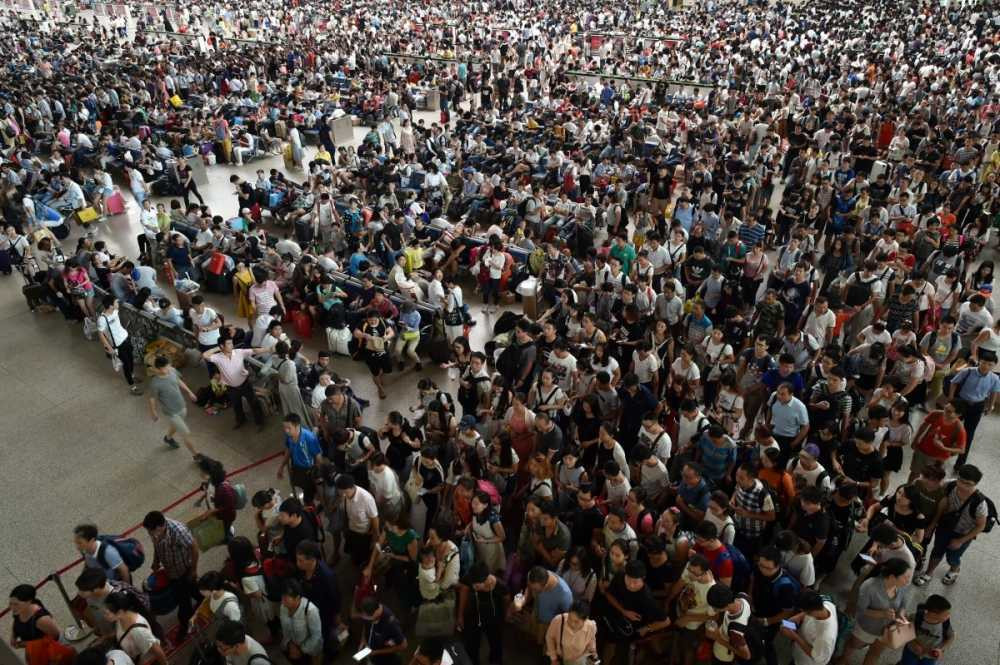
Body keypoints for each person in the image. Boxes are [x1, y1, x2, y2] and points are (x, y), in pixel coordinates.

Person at [916, 464, 990, 587]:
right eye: (960, 480)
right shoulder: (950, 485)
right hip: (945, 526)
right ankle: (929, 572)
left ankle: (955, 569)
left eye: (968, 484)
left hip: (963, 533)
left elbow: (980, 526)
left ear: (975, 484)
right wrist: (932, 525)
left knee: (953, 556)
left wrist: (961, 541)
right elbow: (938, 495)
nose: (962, 485)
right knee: (937, 551)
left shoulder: (980, 503)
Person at [836, 558, 912, 665]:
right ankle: (843, 660)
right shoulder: (870, 586)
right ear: (892, 577)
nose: (908, 581)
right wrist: (882, 614)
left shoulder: (902, 587)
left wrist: (901, 616)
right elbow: (860, 609)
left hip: (887, 630)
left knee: (875, 653)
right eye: (906, 577)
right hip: (866, 628)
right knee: (853, 645)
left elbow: (903, 605)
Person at [141, 511, 199, 640]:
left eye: (151, 532)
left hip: (184, 570)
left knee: (184, 602)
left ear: (160, 527)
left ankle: (185, 626)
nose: (150, 535)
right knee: (193, 588)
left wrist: (193, 570)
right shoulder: (157, 531)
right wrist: (155, 561)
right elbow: (157, 546)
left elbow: (194, 548)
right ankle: (202, 599)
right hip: (170, 571)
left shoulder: (179, 532)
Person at [201, 335, 267, 430]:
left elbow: (255, 351)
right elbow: (204, 355)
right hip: (231, 388)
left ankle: (260, 422)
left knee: (254, 403)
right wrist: (217, 348)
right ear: (222, 346)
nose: (231, 345)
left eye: (231, 343)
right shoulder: (217, 357)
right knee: (236, 406)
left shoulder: (239, 352)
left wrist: (269, 349)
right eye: (228, 343)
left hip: (245, 384)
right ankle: (241, 420)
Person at [146, 355, 200, 459]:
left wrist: (190, 392)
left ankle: (168, 438)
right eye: (165, 367)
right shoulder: (155, 383)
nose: (168, 368)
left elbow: (179, 381)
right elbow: (152, 398)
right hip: (171, 412)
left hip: (182, 406)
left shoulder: (172, 371)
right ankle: (196, 455)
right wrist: (153, 412)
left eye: (168, 366)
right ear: (158, 369)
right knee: (186, 433)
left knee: (175, 425)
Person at [456, 562, 506, 665]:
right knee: (471, 644)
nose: (474, 586)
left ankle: (495, 661)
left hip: (493, 617)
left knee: (495, 642)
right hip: (474, 615)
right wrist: (460, 615)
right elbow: (464, 591)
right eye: (473, 583)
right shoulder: (470, 577)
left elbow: (507, 600)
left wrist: (505, 615)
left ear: (487, 578)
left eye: (477, 584)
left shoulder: (499, 585)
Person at [103, 590, 168, 665]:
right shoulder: (121, 618)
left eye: (107, 614)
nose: (104, 616)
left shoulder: (138, 631)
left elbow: (157, 650)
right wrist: (106, 637)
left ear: (120, 612)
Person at [96, 296, 142, 395]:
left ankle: (132, 375)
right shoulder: (102, 319)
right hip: (118, 345)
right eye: (116, 302)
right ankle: (132, 387)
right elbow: (101, 334)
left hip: (126, 338)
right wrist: (109, 348)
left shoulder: (115, 311)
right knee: (126, 364)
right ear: (110, 306)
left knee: (131, 359)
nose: (118, 304)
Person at [333, 474, 380, 567]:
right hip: (351, 529)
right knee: (353, 552)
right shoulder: (345, 495)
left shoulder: (366, 499)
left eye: (345, 492)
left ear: (351, 487)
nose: (343, 495)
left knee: (362, 556)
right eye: (341, 492)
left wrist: (375, 537)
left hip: (363, 533)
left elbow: (374, 518)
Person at [781, 590, 838, 665]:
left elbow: (818, 658)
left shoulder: (825, 637)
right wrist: (799, 617)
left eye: (803, 611)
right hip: (798, 653)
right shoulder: (825, 604)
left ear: (810, 612)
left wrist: (794, 636)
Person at [278, 413, 324, 506]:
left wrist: (319, 474)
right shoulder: (289, 436)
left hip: (309, 470)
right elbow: (288, 450)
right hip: (297, 468)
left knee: (309, 496)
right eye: (284, 428)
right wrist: (281, 466)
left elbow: (318, 457)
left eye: (288, 428)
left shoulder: (309, 438)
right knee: (300, 485)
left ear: (297, 426)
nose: (286, 430)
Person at [278, 579, 324, 665]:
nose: (283, 602)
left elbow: (316, 636)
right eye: (282, 598)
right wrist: (289, 644)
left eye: (286, 599)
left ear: (297, 598)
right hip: (292, 648)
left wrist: (301, 650)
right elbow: (285, 630)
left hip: (310, 651)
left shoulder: (310, 610)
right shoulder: (283, 607)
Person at [901, 595, 954, 665]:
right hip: (911, 651)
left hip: (930, 656)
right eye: (945, 614)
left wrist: (941, 649)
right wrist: (913, 642)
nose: (948, 616)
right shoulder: (915, 617)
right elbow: (905, 631)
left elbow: (951, 637)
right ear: (933, 614)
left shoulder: (945, 623)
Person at [545, 599, 598, 665]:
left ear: (586, 619)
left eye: (576, 622)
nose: (572, 624)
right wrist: (554, 658)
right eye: (570, 618)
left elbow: (591, 643)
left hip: (578, 662)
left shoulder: (591, 627)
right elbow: (549, 637)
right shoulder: (558, 620)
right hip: (560, 659)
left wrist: (593, 655)